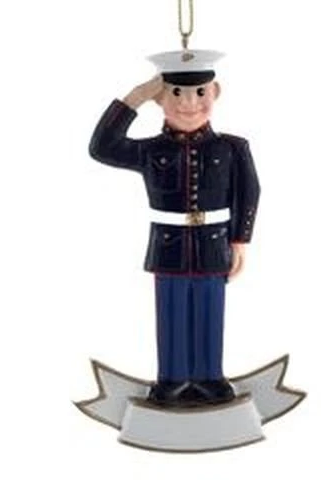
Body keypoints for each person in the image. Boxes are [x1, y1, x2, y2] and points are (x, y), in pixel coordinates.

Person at [89, 50, 260, 406]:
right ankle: (173, 379)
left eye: (200, 92)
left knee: (210, 310)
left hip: (214, 244)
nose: (189, 103)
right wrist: (135, 97)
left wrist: (240, 241)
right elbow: (102, 147)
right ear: (160, 98)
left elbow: (249, 191)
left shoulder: (232, 147)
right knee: (172, 312)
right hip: (169, 245)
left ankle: (209, 378)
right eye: (177, 93)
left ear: (216, 93)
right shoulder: (151, 150)